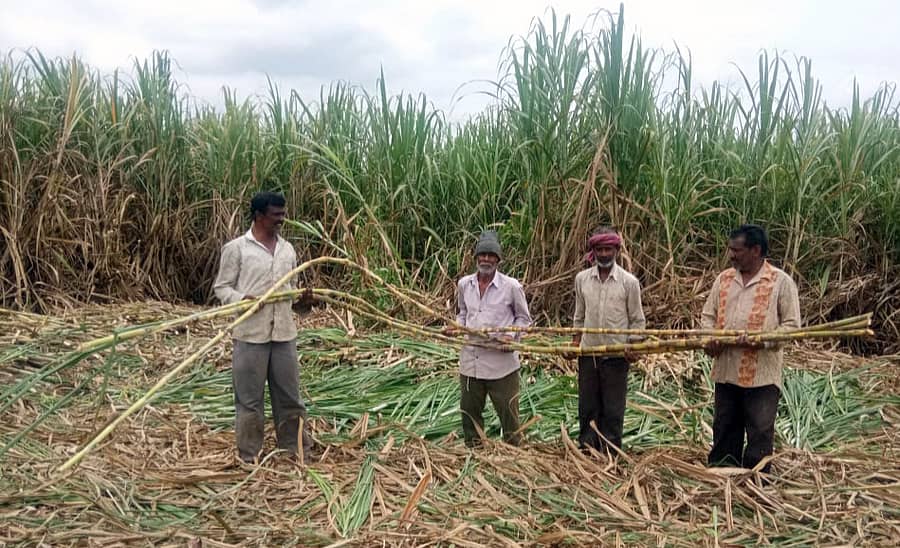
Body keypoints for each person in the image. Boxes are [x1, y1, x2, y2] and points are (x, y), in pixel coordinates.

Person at [213, 191, 315, 464]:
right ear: (259, 215)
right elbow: (221, 288)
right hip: (250, 336)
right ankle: (249, 456)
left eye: (283, 214)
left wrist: (303, 301)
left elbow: (291, 294)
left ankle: (294, 450)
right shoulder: (236, 249)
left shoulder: (287, 250)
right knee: (249, 401)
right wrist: (242, 300)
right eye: (276, 215)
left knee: (290, 398)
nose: (282, 219)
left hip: (284, 335)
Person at [702, 224, 801, 473]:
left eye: (737, 250)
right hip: (727, 369)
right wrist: (710, 338)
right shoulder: (724, 279)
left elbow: (792, 325)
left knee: (760, 430)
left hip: (761, 375)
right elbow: (708, 316)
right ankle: (722, 476)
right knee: (725, 427)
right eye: (731, 250)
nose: (732, 255)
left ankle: (756, 482)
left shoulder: (780, 282)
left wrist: (763, 339)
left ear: (756, 250)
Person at [569, 227, 646, 455]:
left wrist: (633, 346)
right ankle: (587, 449)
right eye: (600, 249)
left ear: (616, 250)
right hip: (589, 353)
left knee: (613, 409)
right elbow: (579, 315)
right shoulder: (582, 280)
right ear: (594, 251)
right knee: (588, 406)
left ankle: (611, 452)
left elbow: (636, 319)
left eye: (608, 249)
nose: (604, 254)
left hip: (616, 355)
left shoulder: (629, 282)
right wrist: (575, 342)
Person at [454, 230, 532, 447]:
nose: (486, 259)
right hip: (471, 363)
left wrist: (512, 336)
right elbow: (462, 313)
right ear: (476, 257)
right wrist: (456, 327)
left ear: (498, 259)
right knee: (469, 413)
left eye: (491, 255)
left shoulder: (511, 287)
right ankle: (475, 452)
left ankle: (513, 452)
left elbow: (524, 319)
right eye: (482, 255)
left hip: (502, 365)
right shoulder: (464, 285)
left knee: (509, 416)